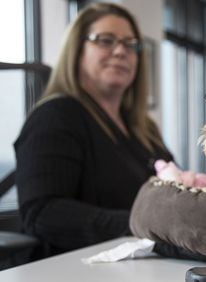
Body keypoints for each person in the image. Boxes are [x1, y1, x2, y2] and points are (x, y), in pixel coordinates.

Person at [14, 2, 173, 259]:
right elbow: (42, 212)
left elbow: (174, 185)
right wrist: (139, 223)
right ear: (77, 50)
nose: (121, 51)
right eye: (105, 40)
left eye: (131, 44)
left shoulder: (145, 128)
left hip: (143, 263)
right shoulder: (55, 116)